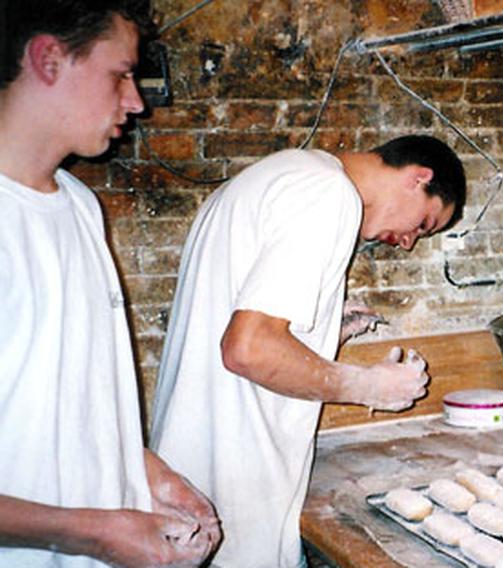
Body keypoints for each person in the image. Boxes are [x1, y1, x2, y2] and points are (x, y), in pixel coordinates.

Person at [150, 135, 466, 567]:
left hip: (194, 480)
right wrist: (368, 385)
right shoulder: (327, 194)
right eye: (424, 224)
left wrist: (319, 334)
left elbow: (241, 327)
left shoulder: (280, 176)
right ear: (418, 178)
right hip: (232, 499)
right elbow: (246, 349)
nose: (409, 241)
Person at [0, 1, 221, 566]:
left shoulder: (79, 206)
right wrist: (89, 534)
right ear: (49, 59)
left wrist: (148, 471)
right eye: (120, 74)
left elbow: (72, 398)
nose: (137, 100)